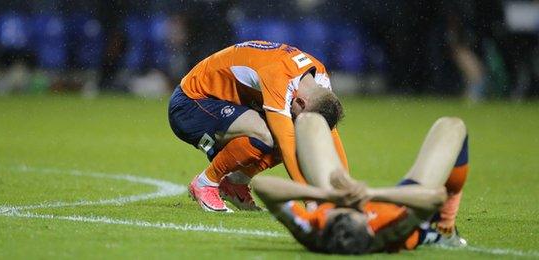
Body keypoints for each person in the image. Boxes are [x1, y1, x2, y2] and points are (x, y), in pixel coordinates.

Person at [168, 41, 348, 212]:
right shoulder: (279, 77)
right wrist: (310, 202)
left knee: (286, 131)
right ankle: (206, 183)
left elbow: (329, 131)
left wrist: (345, 191)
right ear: (300, 102)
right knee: (270, 135)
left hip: (222, 103)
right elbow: (288, 147)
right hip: (190, 105)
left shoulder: (319, 83)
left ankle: (235, 184)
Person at [251, 113, 469, 254]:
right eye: (358, 211)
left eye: (341, 210)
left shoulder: (312, 231)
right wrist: (370, 194)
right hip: (403, 200)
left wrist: (329, 197)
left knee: (309, 121)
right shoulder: (389, 231)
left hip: (332, 193)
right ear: (369, 226)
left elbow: (261, 185)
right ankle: (446, 226)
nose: (354, 206)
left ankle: (334, 193)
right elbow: (435, 197)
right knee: (452, 126)